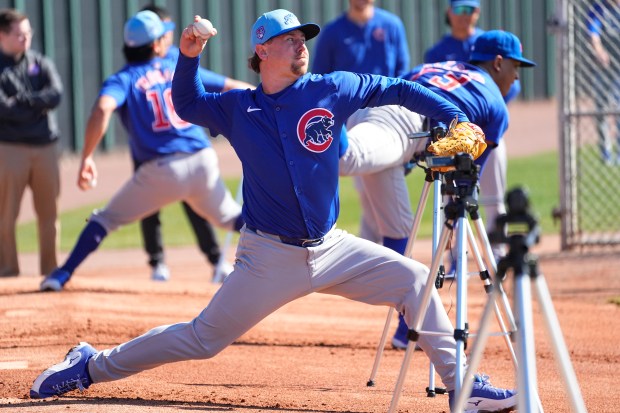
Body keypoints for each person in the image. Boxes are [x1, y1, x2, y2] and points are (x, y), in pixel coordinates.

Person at [30, 10, 517, 412]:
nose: (301, 45)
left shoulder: (332, 87)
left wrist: (453, 115)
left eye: (303, 37)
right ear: (262, 50)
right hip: (267, 259)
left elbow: (398, 89)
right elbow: (186, 102)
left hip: (332, 247)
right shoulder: (238, 108)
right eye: (289, 39)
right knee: (202, 339)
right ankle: (91, 365)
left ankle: (463, 387)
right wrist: (188, 55)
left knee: (415, 280)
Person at [37, 10, 244, 292]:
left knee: (104, 219)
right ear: (156, 44)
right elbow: (232, 86)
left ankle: (61, 275)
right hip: (202, 160)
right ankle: (287, 235)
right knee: (233, 219)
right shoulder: (174, 63)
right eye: (162, 35)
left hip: (161, 171)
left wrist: (86, 157)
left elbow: (102, 108)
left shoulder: (122, 79)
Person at [311, 0, 413, 349]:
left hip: (388, 116)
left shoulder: (391, 25)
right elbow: (322, 84)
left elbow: (403, 74)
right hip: (352, 122)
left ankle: (401, 309)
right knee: (379, 215)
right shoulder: (334, 32)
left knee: (386, 219)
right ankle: (400, 306)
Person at [136, 4, 253, 282]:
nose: (167, 37)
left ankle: (214, 259)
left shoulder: (177, 59)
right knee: (149, 209)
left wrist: (256, 96)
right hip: (154, 150)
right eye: (164, 32)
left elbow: (221, 83)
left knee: (196, 207)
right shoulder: (142, 69)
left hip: (185, 147)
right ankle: (158, 263)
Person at [423, 0, 520, 283]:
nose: (465, 16)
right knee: (449, 195)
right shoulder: (439, 51)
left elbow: (512, 85)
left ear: (477, 13)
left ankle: (498, 253)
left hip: (488, 132)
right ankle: (455, 257)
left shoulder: (488, 44)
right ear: (449, 13)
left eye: (470, 10)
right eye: (460, 9)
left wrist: (485, 112)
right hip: (454, 134)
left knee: (493, 195)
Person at [0, 9, 63, 278]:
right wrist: (37, 104)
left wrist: (24, 100)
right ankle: (7, 271)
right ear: (2, 35)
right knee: (6, 215)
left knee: (49, 214)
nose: (25, 38)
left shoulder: (41, 61)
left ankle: (50, 270)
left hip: (45, 146)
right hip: (10, 148)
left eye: (28, 33)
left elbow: (56, 94)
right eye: (19, 34)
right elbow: (4, 109)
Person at [586, 0, 620, 165]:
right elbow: (593, 32)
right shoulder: (599, 8)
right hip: (604, 69)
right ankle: (606, 154)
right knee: (601, 111)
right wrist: (599, 51)